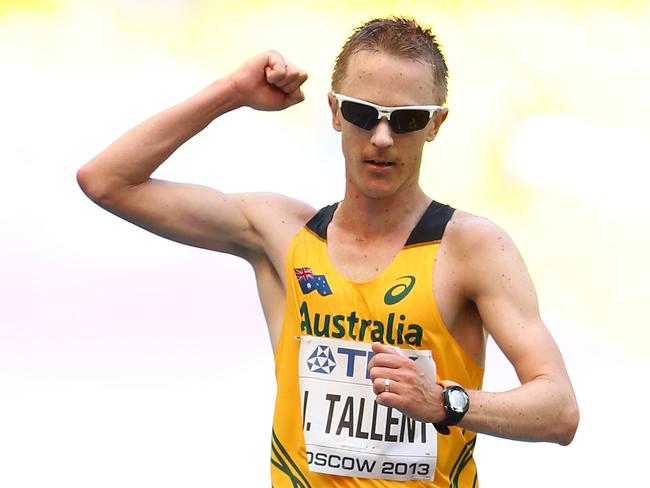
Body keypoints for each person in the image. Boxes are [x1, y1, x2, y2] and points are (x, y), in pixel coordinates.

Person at [77, 16, 578, 488]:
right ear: (335, 111)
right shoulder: (282, 233)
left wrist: (446, 401)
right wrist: (231, 92)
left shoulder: (470, 246)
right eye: (363, 114)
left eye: (405, 120)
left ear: (436, 124)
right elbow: (106, 181)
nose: (381, 138)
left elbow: (559, 410)